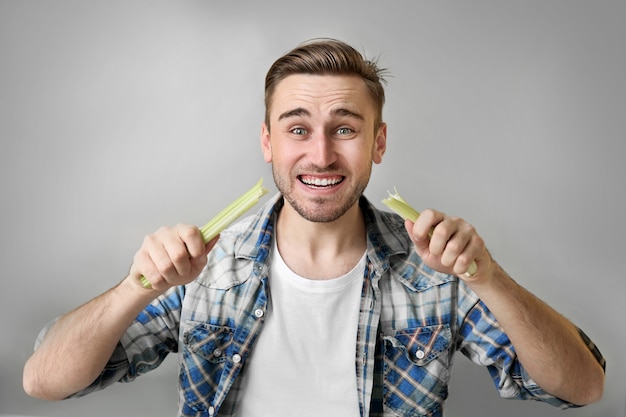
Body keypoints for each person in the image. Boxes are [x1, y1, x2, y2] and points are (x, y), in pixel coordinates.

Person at [23, 38, 605, 417]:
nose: (321, 155)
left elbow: (582, 387)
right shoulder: (202, 272)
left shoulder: (438, 273)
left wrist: (490, 277)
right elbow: (46, 382)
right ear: (267, 142)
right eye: (297, 129)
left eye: (345, 129)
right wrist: (136, 286)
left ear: (378, 143)